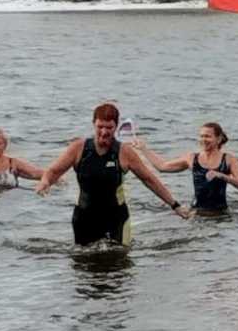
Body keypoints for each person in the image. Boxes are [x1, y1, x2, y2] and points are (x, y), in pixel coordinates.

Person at [35, 103, 190, 246]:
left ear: (116, 126)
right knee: (84, 267)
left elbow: (149, 179)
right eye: (100, 126)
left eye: (109, 127)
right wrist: (45, 181)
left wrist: (175, 205)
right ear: (93, 124)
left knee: (119, 266)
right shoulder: (78, 148)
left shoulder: (124, 152)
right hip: (84, 218)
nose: (104, 132)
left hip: (116, 219)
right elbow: (54, 171)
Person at [133, 122, 238, 214]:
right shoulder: (192, 158)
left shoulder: (228, 159)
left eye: (207, 136)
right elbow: (162, 167)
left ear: (218, 139)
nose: (203, 140)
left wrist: (222, 176)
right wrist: (144, 149)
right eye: (201, 136)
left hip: (220, 213)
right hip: (197, 211)